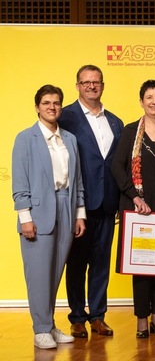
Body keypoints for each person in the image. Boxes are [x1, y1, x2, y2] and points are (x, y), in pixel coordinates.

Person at [13, 84, 86, 349]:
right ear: (37, 107)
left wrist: (79, 213)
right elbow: (20, 182)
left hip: (66, 208)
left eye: (56, 103)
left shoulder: (70, 139)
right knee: (39, 273)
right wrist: (25, 217)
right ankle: (40, 328)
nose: (52, 107)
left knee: (55, 273)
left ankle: (50, 325)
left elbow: (77, 180)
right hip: (38, 210)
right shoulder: (25, 139)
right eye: (46, 103)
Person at [111, 80, 155, 339]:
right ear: (141, 101)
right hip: (139, 206)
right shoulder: (131, 132)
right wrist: (134, 196)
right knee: (142, 266)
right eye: (149, 97)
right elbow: (117, 168)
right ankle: (141, 320)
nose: (154, 102)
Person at [60, 65, 122, 338]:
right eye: (86, 82)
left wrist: (121, 202)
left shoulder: (115, 121)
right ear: (77, 86)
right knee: (75, 263)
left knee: (101, 263)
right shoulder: (66, 118)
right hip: (79, 206)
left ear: (103, 85)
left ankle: (98, 315)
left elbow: (117, 164)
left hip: (108, 203)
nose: (91, 86)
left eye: (96, 82)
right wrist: (75, 208)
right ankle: (77, 317)